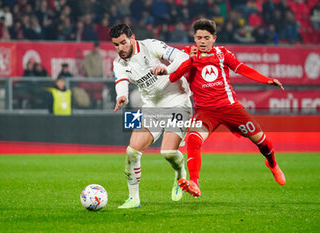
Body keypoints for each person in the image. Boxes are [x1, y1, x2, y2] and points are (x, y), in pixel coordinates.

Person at [166, 18, 286, 197]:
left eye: (206, 38)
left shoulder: (222, 53)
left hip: (230, 107)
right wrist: (189, 61)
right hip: (205, 111)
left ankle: (272, 163)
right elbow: (173, 77)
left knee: (262, 141)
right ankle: (194, 182)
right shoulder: (186, 54)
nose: (202, 42)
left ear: (214, 38)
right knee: (193, 140)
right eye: (199, 38)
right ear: (194, 38)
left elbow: (242, 68)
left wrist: (266, 80)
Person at [110, 23, 192, 208]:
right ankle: (133, 198)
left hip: (177, 102)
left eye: (123, 43)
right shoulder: (118, 63)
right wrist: (121, 95)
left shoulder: (151, 45)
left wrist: (167, 70)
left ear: (132, 38)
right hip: (151, 106)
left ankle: (180, 173)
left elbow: (183, 57)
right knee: (132, 151)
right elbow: (121, 81)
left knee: (168, 152)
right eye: (116, 45)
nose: (120, 48)